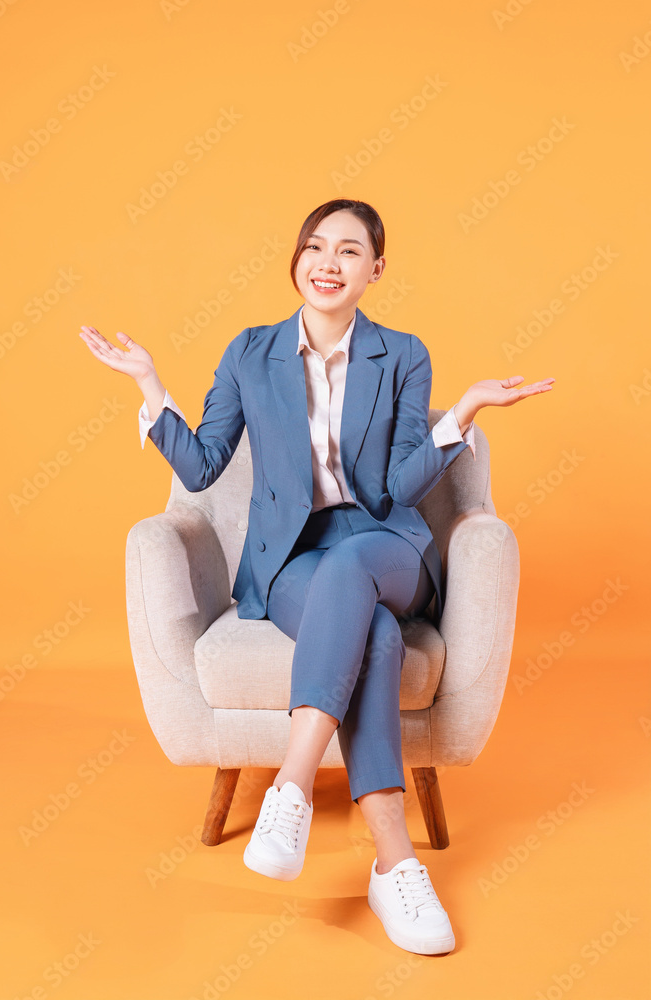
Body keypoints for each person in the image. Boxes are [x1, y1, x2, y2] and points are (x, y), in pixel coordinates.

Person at [79, 198, 554, 956]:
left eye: (349, 251)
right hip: (293, 562)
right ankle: (394, 863)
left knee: (358, 565)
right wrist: (149, 387)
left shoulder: (402, 354)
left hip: (384, 545)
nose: (327, 263)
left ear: (375, 269)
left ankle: (291, 786)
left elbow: (400, 487)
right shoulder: (249, 353)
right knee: (369, 632)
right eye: (314, 247)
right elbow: (203, 467)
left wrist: (461, 412)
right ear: (297, 259)